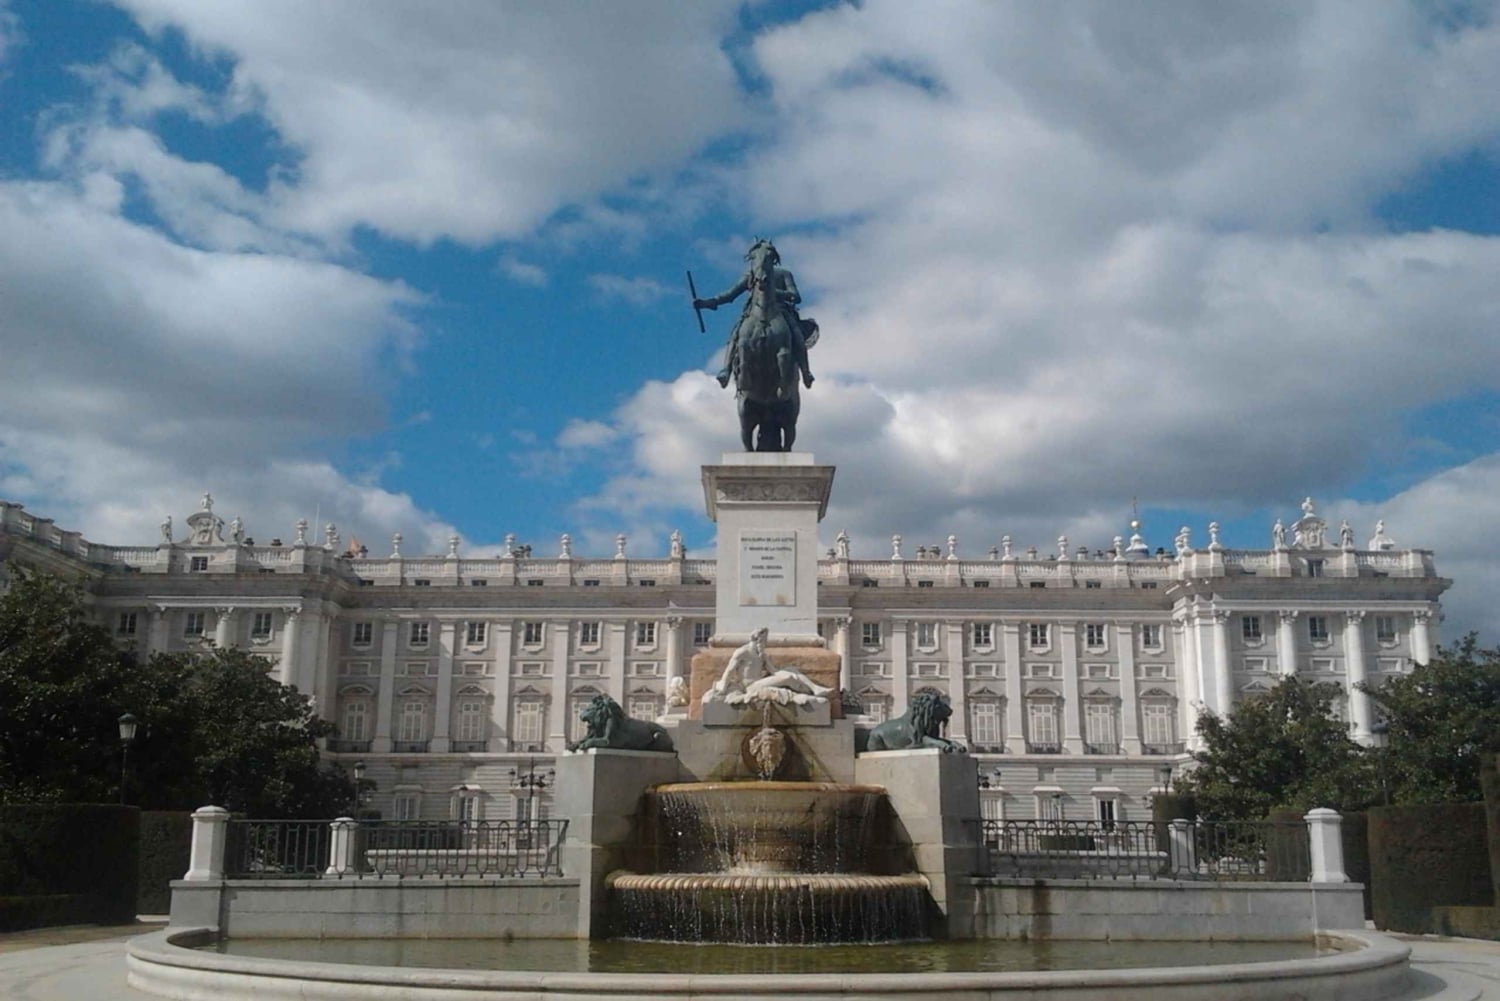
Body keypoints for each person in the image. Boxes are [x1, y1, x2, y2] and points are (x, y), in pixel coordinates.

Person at [695, 239, 815, 390]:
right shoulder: (750, 276)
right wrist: (706, 303)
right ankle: (726, 370)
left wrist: (772, 290)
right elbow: (730, 294)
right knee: (736, 333)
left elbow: (795, 296)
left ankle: (806, 372)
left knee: (796, 334)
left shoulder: (784, 274)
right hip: (752, 311)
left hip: (781, 311)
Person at [703, 626, 833, 706]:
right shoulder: (742, 652)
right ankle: (808, 692)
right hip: (750, 687)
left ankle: (815, 688)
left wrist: (790, 673)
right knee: (787, 677)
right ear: (757, 639)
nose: (765, 643)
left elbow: (774, 671)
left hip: (760, 682)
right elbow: (729, 671)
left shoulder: (762, 654)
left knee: (790, 671)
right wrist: (722, 688)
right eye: (764, 640)